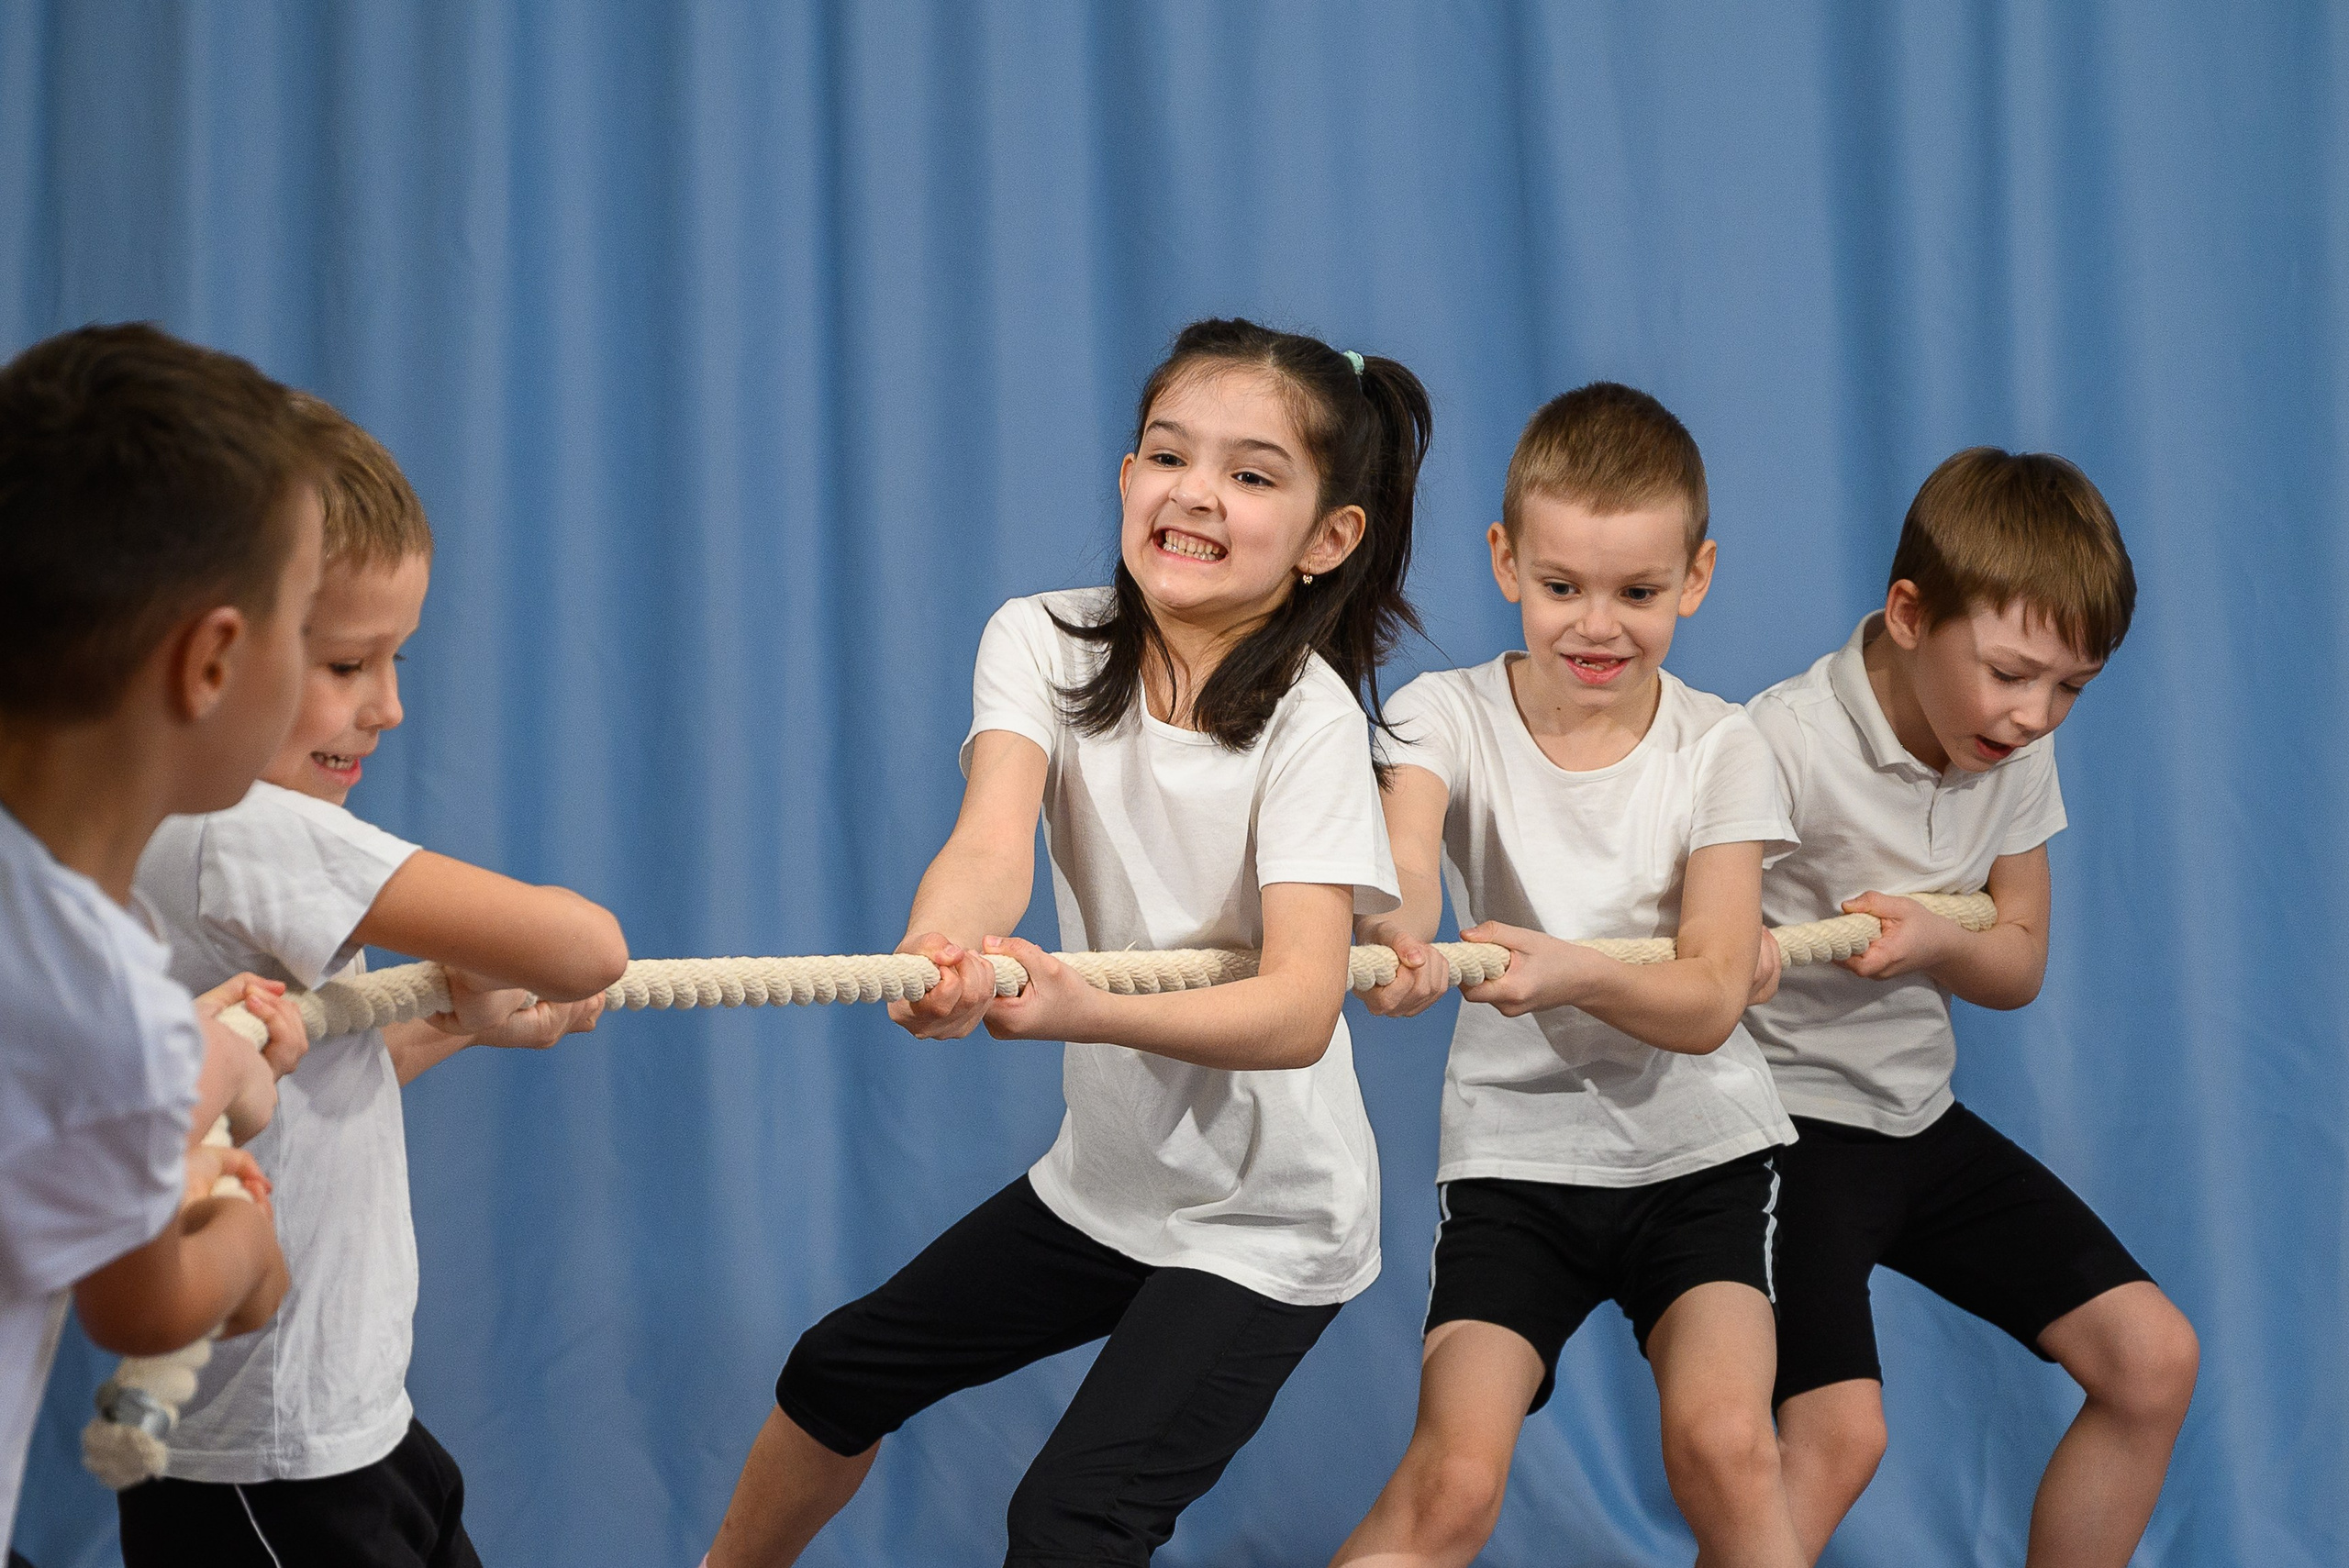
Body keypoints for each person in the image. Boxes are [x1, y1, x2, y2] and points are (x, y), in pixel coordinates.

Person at [706, 318, 1430, 1568]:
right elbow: (991, 839)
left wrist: (1072, 1005)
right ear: (1125, 473)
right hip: (1109, 1185)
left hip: (1267, 1221)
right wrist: (942, 946)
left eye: (1253, 475)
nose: (1194, 493)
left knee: (1071, 1520)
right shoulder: (1042, 640)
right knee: (835, 1373)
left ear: (1330, 539)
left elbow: (1298, 1007)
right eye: (1167, 453)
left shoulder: (1308, 726)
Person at [115, 394, 629, 1568]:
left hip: (345, 1424)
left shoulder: (161, 816)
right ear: (209, 650)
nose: (389, 705)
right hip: (272, 1459)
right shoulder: (249, 824)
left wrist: (454, 1016)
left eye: (395, 658)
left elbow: (281, 1088)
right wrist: (499, 964)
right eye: (350, 663)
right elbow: (584, 944)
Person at [1330, 383, 1806, 1568]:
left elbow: (1706, 998)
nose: (1599, 624)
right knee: (1453, 1482)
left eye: (1639, 592)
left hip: (1700, 1155)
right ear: (1506, 562)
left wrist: (1573, 971)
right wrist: (1399, 935)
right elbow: (1405, 864)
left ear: (1695, 577)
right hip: (1516, 1164)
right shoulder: (1446, 714)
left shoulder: (1722, 745)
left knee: (1728, 1450)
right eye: (1563, 586)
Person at [1744, 448, 2198, 1565]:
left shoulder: (2007, 747)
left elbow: (2021, 958)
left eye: (2069, 688)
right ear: (1907, 613)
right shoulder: (1777, 744)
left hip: (1915, 1120)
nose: (2035, 713)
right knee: (1837, 1438)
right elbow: (1690, 960)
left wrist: (1936, 936)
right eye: (2008, 672)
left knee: (2152, 1357)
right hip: (1777, 1134)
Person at [0, 323, 316, 1558]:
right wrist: (246, 1247)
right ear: (215, 659)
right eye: (303, 629)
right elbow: (146, 1300)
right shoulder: (98, 999)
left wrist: (189, 1075)